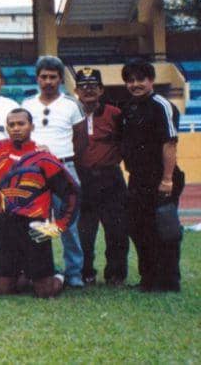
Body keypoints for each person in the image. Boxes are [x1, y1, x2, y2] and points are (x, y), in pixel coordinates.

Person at [0, 108, 77, 298]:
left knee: (45, 293)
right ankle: (24, 273)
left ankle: (59, 275)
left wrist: (58, 226)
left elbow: (72, 193)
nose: (16, 128)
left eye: (21, 124)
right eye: (11, 125)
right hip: (6, 224)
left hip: (36, 226)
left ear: (32, 126)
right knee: (3, 290)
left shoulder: (44, 157)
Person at [119, 59, 183, 292]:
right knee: (139, 229)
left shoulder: (162, 106)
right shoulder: (130, 108)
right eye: (130, 80)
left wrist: (167, 180)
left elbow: (169, 144)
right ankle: (148, 279)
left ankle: (169, 282)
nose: (135, 84)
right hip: (138, 179)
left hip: (161, 178)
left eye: (140, 79)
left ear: (151, 81)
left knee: (164, 230)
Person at [21, 55, 84, 287]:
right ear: (37, 78)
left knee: (67, 222)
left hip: (63, 168)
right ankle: (37, 269)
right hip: (35, 172)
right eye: (44, 76)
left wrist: (60, 159)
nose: (48, 81)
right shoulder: (27, 105)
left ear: (60, 78)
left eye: (53, 77)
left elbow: (81, 139)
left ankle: (74, 272)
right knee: (34, 221)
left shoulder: (71, 104)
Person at [72, 67, 128, 287]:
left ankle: (115, 274)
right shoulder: (71, 113)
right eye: (83, 87)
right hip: (82, 179)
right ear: (76, 90)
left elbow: (125, 142)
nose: (88, 91)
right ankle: (86, 272)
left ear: (101, 89)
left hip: (110, 178)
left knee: (116, 229)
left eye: (93, 86)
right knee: (85, 231)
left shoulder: (114, 113)